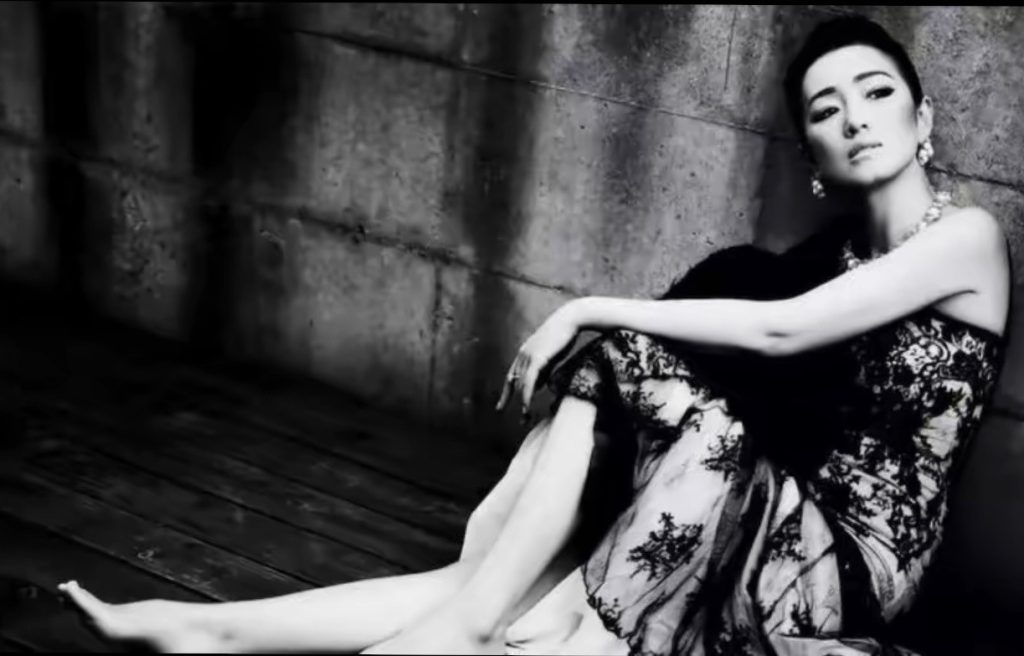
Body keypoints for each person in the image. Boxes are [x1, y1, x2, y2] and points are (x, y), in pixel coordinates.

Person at [57, 14, 1010, 656]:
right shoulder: (830, 259)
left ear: (923, 116)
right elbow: (745, 350)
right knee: (497, 576)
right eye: (827, 109)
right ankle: (211, 630)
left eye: (876, 93)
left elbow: (774, 333)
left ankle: (469, 626)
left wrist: (590, 307)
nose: (855, 119)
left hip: (848, 569)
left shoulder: (968, 241)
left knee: (631, 363)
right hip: (764, 512)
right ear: (813, 157)